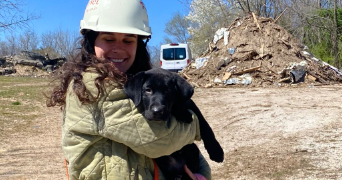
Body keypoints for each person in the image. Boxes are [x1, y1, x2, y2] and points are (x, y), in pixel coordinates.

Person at [47, 0, 212, 179]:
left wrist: (201, 173)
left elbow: (182, 149)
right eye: (109, 39)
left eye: (128, 40)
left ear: (138, 45)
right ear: (91, 41)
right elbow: (158, 139)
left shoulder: (133, 82)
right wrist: (196, 124)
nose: (118, 48)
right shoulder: (92, 87)